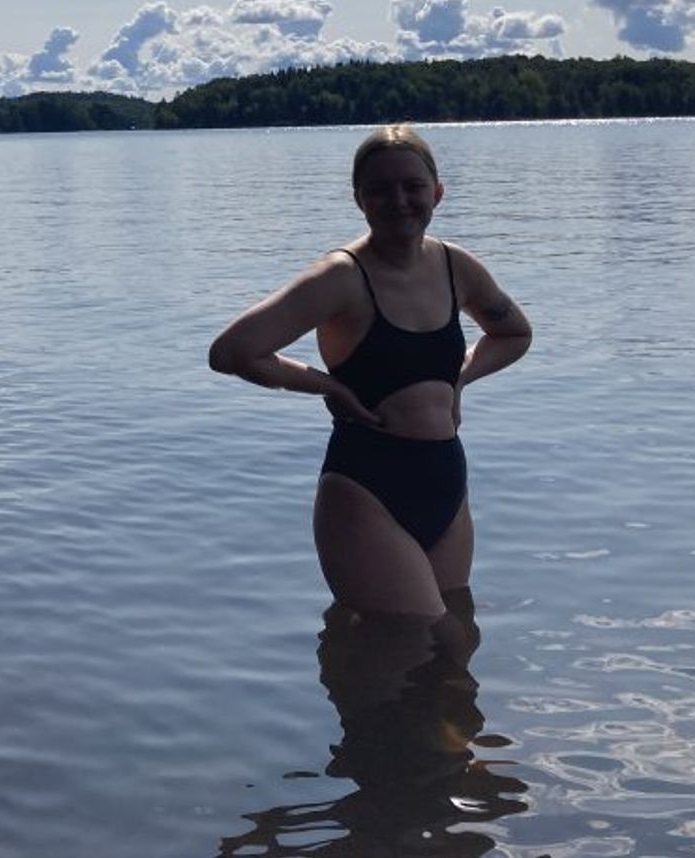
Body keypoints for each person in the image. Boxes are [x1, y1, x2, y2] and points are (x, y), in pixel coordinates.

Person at [208, 125, 531, 621]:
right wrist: (326, 385)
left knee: (454, 646)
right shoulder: (340, 277)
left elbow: (513, 334)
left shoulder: (456, 266)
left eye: (412, 186)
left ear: (437, 193)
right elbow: (233, 351)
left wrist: (458, 377)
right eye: (379, 189)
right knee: (410, 641)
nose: (398, 200)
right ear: (359, 199)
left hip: (445, 478)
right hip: (367, 487)